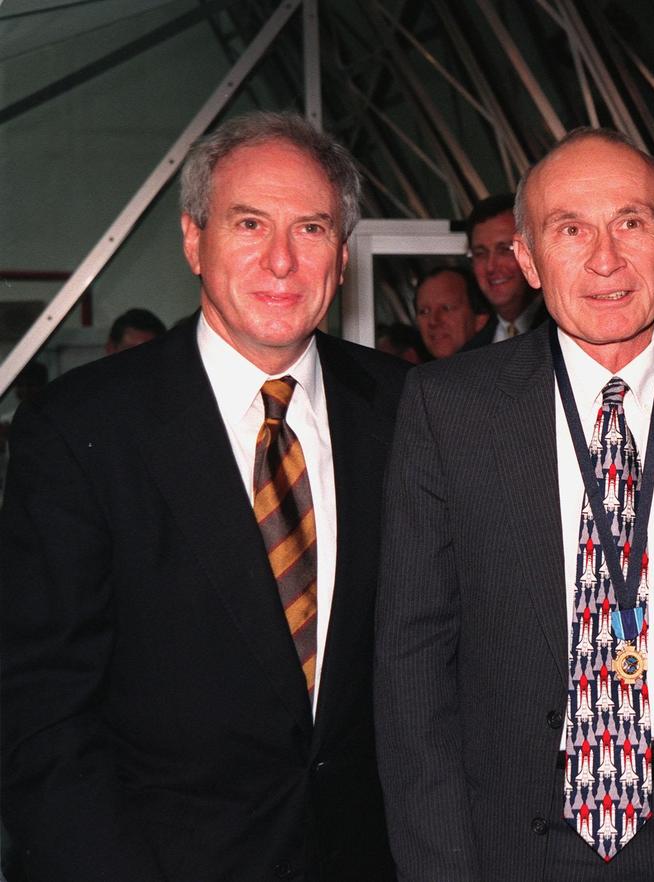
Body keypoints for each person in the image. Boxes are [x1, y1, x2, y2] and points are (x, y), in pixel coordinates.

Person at [376, 128, 654, 881]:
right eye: (570, 229)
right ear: (526, 259)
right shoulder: (449, 411)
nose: (606, 259)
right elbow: (412, 669)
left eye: (632, 223)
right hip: (518, 840)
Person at [0, 111, 404, 881]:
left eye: (311, 229)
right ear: (193, 239)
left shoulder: (408, 410)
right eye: (249, 223)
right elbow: (40, 716)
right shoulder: (82, 429)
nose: (281, 261)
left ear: (341, 257)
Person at [460, 192, 546, 347]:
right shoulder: (471, 354)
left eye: (506, 249)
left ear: (533, 252)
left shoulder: (570, 335)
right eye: (480, 253)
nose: (491, 266)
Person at [413, 265, 489, 359]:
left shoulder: (504, 369)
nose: (433, 321)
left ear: (480, 319)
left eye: (446, 308)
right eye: (424, 312)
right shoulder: (417, 373)